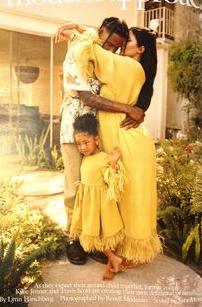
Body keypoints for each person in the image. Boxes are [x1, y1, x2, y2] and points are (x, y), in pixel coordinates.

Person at [54, 17, 148, 266]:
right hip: (74, 128)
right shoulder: (78, 52)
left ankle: (91, 240)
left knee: (95, 186)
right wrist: (130, 109)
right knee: (74, 187)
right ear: (101, 33)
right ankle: (73, 239)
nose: (111, 51)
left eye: (117, 47)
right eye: (109, 45)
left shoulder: (98, 50)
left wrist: (77, 26)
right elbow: (86, 97)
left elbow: (88, 34)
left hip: (98, 129)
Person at [70, 113, 126, 280]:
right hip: (88, 204)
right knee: (91, 234)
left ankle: (114, 258)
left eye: (86, 142)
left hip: (101, 204)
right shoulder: (84, 159)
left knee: (100, 235)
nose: (82, 147)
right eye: (79, 144)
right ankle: (114, 259)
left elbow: (113, 180)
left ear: (96, 139)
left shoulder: (103, 158)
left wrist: (114, 162)